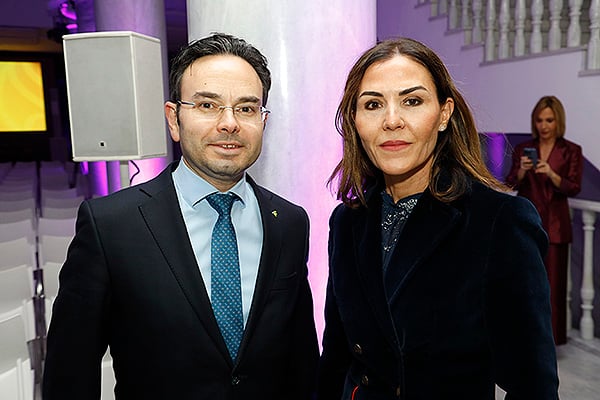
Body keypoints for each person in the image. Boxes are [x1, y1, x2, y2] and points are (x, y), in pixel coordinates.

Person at [43, 33, 319, 399]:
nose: (230, 123)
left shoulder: (289, 222)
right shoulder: (110, 226)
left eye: (247, 108)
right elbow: (70, 374)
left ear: (263, 121)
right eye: (208, 106)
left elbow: (302, 363)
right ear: (174, 119)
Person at [316, 37, 559, 399]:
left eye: (412, 101)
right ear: (355, 120)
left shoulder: (500, 222)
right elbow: (336, 357)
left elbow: (532, 384)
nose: (392, 121)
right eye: (372, 105)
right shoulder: (346, 222)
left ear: (444, 114)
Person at [506, 95, 583, 346]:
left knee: (554, 288)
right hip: (527, 225)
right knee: (524, 283)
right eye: (539, 120)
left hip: (557, 227)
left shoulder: (571, 150)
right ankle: (526, 335)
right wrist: (523, 170)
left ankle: (551, 339)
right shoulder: (523, 148)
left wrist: (551, 173)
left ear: (557, 120)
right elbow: (511, 182)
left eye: (549, 120)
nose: (544, 125)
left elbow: (573, 187)